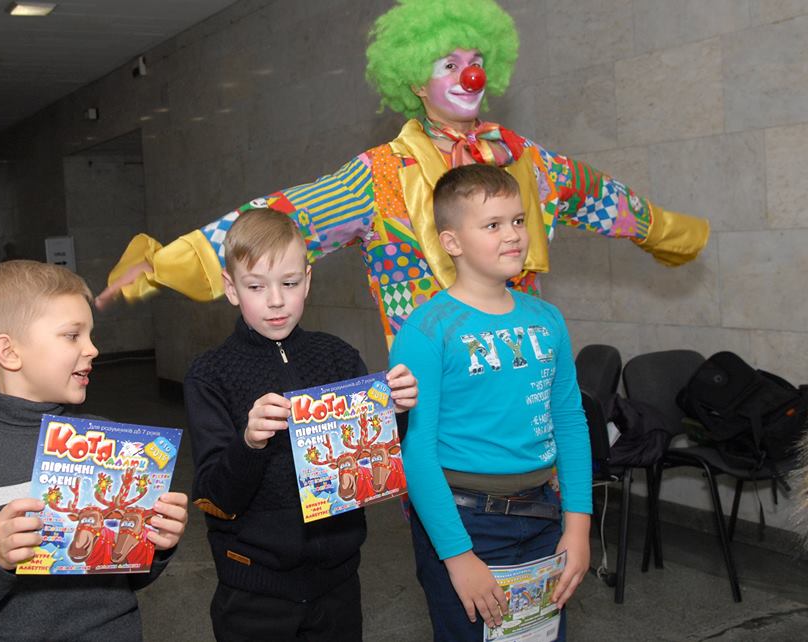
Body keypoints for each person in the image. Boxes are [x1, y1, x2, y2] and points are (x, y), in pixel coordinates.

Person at [96, 0, 709, 351]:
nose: (470, 77)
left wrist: (672, 234)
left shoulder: (523, 159)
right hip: (434, 393)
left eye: (476, 63)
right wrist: (162, 266)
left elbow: (602, 196)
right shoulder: (382, 176)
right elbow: (279, 217)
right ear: (415, 80)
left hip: (523, 378)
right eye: (449, 65)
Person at [0, 260, 189, 642]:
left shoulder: (109, 446)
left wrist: (156, 545)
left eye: (90, 334)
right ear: (9, 352)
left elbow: (126, 579)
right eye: (72, 335)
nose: (93, 349)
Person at [183, 209, 417, 641]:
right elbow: (215, 497)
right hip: (254, 589)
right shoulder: (210, 375)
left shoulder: (338, 357)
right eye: (256, 286)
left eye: (289, 283)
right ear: (231, 289)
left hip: (338, 582)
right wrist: (248, 444)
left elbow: (372, 462)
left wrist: (395, 413)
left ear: (307, 281)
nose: (276, 300)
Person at [388, 164, 591, 640]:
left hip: (544, 515)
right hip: (464, 521)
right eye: (493, 225)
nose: (513, 235)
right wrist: (457, 555)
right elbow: (416, 452)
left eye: (518, 220)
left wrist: (578, 526)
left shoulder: (547, 319)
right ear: (452, 242)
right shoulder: (427, 330)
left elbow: (569, 421)